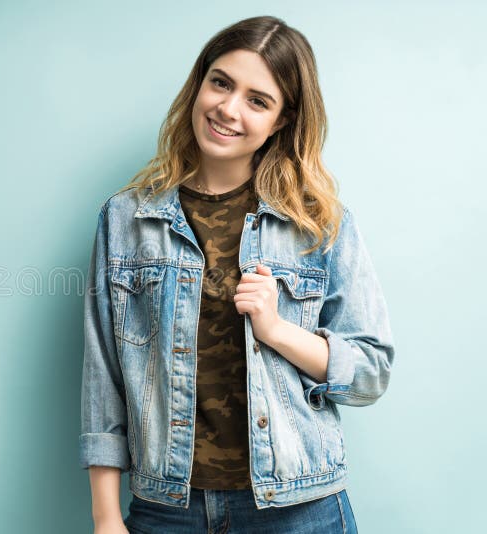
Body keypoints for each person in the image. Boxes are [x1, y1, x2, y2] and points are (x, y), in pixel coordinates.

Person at [79, 15, 395, 534]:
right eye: (221, 83)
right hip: (165, 510)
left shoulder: (319, 224)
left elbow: (369, 372)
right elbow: (103, 375)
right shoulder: (126, 218)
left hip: (297, 509)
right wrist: (106, 516)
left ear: (281, 121)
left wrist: (277, 331)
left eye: (258, 99)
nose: (228, 108)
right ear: (199, 84)